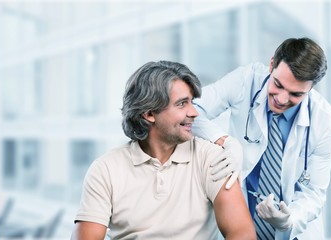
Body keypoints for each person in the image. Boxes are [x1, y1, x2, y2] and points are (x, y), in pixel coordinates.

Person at [71, 60, 256, 240]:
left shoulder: (211, 158)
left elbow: (242, 232)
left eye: (192, 102)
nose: (194, 112)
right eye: (182, 104)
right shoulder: (105, 170)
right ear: (149, 114)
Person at [192, 37, 331, 240]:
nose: (281, 99)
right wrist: (225, 141)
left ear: (311, 88)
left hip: (295, 232)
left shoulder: (324, 121)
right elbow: (192, 110)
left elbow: (314, 192)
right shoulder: (246, 80)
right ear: (271, 64)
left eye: (296, 94)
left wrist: (289, 220)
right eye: (278, 84)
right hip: (243, 221)